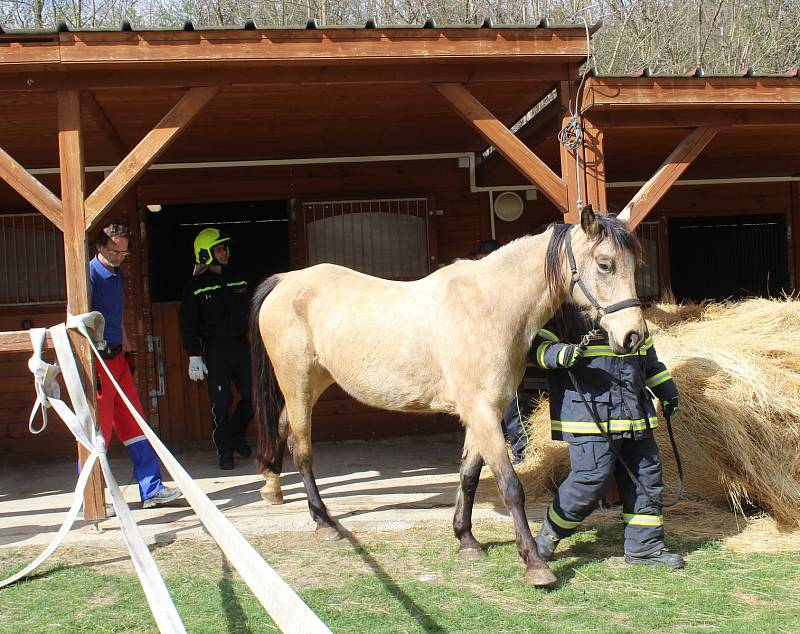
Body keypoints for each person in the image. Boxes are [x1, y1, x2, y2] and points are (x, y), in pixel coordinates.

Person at [532, 303, 684, 568]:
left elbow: (648, 359)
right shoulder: (565, 312)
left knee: (646, 480)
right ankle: (546, 539)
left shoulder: (630, 314)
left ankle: (645, 549)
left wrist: (667, 390)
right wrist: (557, 354)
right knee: (590, 482)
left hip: (636, 415)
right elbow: (536, 348)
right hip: (590, 417)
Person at [90, 224, 182, 509]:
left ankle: (151, 489)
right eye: (114, 251)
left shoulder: (117, 274)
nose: (119, 257)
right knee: (98, 431)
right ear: (99, 247)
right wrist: (89, 365)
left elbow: (114, 316)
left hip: (118, 357)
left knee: (135, 423)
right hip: (97, 359)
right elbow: (76, 321)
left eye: (124, 251)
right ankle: (91, 496)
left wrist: (127, 344)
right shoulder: (88, 276)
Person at [180, 228, 253, 470]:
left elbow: (253, 311)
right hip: (215, 350)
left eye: (224, 248)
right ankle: (225, 451)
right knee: (221, 402)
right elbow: (188, 324)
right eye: (219, 248)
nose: (224, 252)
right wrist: (193, 354)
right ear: (205, 254)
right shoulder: (195, 286)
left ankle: (235, 435)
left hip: (241, 345)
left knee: (253, 397)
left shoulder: (240, 278)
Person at [470, 238, 533, 465]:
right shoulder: (479, 285)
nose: (477, 262)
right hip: (481, 356)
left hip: (503, 355)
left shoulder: (507, 285)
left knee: (512, 405)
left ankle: (523, 452)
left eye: (480, 258)